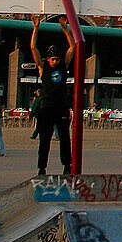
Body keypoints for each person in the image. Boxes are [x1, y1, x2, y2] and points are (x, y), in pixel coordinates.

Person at [30, 15, 76, 175]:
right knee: (45, 140)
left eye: (57, 59)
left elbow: (72, 47)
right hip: (46, 107)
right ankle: (42, 168)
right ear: (48, 59)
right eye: (52, 59)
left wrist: (65, 29)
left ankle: (67, 166)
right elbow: (33, 48)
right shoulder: (43, 66)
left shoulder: (64, 66)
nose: (55, 62)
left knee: (64, 139)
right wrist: (36, 28)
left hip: (61, 106)